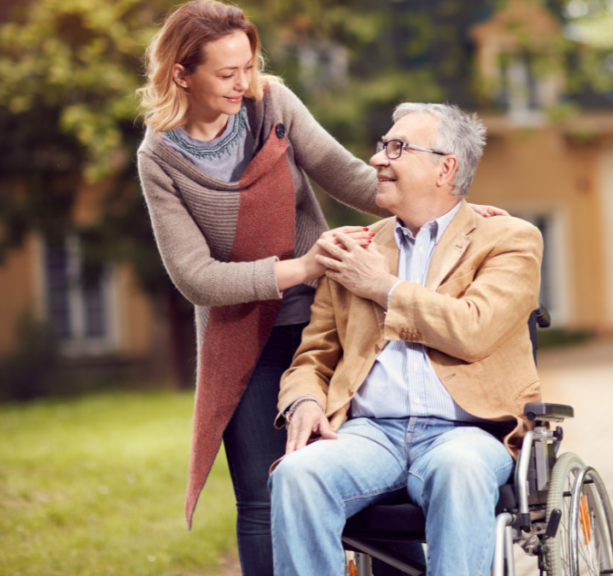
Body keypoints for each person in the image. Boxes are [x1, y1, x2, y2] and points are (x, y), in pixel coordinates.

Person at [134, 2, 506, 574]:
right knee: (263, 497)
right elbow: (196, 278)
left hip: (328, 316)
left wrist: (445, 204)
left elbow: (348, 174)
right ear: (182, 74)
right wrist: (303, 268)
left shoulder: (271, 104)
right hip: (244, 335)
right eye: (226, 74)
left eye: (249, 66)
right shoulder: (160, 158)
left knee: (379, 467)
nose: (243, 84)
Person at [269, 102, 544, 575]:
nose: (378, 159)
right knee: (296, 474)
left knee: (459, 471)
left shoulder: (510, 239)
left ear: (446, 167)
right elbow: (312, 359)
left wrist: (383, 288)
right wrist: (304, 403)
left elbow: (473, 329)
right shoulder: (355, 246)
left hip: (467, 432)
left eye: (396, 147)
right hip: (369, 433)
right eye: (381, 147)